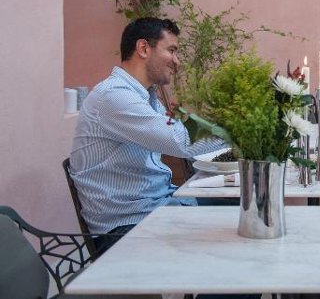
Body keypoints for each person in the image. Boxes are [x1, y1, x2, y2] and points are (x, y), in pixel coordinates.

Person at [70, 17, 227, 253]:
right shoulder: (113, 96)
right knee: (233, 236)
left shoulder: (143, 96)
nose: (177, 61)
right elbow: (180, 141)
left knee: (239, 210)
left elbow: (176, 133)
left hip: (157, 207)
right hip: (126, 228)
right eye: (171, 50)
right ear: (143, 48)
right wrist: (238, 133)